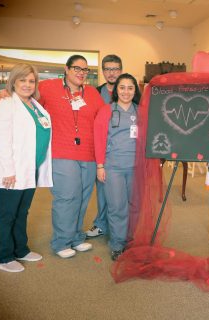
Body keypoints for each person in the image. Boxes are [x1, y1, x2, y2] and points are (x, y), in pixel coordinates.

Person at [0, 63, 52, 272]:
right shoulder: (4, 105)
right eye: (22, 80)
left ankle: (20, 249)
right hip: (11, 171)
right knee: (7, 214)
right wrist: (8, 171)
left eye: (31, 81)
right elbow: (2, 142)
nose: (27, 84)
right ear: (13, 81)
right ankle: (3, 257)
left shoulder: (34, 105)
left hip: (29, 169)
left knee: (22, 211)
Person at [38, 55, 107, 258]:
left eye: (85, 70)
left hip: (89, 154)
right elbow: (28, 100)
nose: (81, 73)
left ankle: (76, 237)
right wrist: (8, 92)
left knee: (83, 198)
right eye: (76, 68)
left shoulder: (93, 93)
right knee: (66, 197)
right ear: (66, 69)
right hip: (62, 152)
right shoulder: (48, 87)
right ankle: (61, 242)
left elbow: (104, 120)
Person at [94, 73, 141, 260]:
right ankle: (117, 244)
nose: (126, 92)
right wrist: (100, 166)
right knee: (117, 207)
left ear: (135, 90)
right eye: (122, 87)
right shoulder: (106, 110)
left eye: (130, 88)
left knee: (134, 206)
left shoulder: (140, 112)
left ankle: (132, 240)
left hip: (136, 168)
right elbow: (98, 139)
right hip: (113, 167)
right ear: (116, 90)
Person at [86, 54, 123, 239]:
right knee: (101, 189)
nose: (111, 73)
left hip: (122, 151)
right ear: (103, 71)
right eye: (108, 69)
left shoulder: (128, 90)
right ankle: (101, 224)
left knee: (122, 192)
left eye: (115, 69)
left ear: (121, 70)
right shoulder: (94, 92)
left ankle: (120, 226)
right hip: (100, 150)